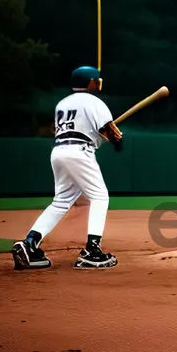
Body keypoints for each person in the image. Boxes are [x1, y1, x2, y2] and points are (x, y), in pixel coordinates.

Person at [13, 66, 123, 271]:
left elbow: (86, 130)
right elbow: (112, 136)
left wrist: (104, 136)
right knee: (100, 196)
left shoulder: (62, 103)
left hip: (59, 152)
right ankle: (92, 250)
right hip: (79, 152)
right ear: (91, 82)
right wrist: (117, 138)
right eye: (96, 80)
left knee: (61, 201)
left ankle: (30, 244)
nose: (98, 83)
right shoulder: (95, 102)